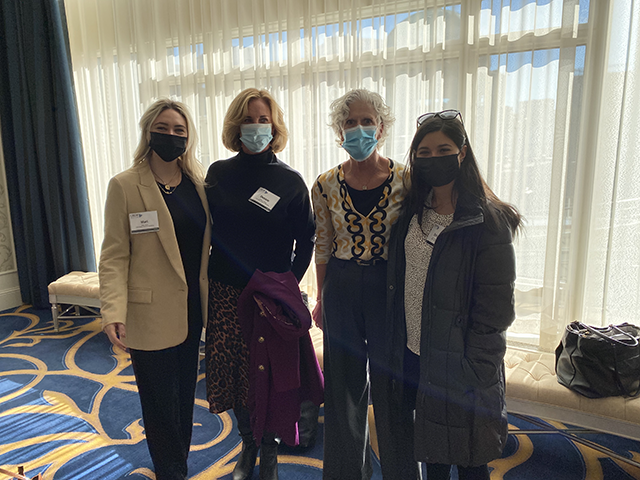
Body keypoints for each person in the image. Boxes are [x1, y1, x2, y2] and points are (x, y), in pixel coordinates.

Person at [386, 110, 521, 480]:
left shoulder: (488, 221)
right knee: (433, 454)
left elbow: (496, 310)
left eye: (443, 150)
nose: (433, 159)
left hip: (462, 362)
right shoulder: (411, 211)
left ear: (462, 153)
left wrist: (476, 368)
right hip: (416, 355)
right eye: (424, 153)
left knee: (470, 459)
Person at [204, 88, 317, 480]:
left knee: (269, 377)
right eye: (248, 120)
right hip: (225, 293)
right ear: (236, 126)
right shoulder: (218, 175)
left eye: (263, 120)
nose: (256, 127)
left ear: (274, 126)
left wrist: (287, 284)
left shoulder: (290, 181)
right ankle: (247, 442)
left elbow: (306, 240)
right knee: (237, 375)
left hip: (269, 297)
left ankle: (268, 451)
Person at [99, 99, 211, 480]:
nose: (171, 135)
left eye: (179, 130)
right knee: (159, 400)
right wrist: (112, 311)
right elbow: (114, 256)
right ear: (148, 133)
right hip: (148, 312)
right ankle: (171, 470)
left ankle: (178, 459)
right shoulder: (125, 186)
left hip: (191, 309)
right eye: (163, 128)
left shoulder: (199, 185)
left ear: (188, 137)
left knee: (184, 395)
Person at [311, 89, 412, 480]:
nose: (358, 128)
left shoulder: (406, 179)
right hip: (342, 285)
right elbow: (323, 245)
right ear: (339, 131)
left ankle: (402, 474)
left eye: (366, 120)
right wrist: (321, 299)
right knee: (342, 388)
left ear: (381, 127)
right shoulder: (324, 184)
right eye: (349, 122)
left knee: (392, 388)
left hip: (390, 289)